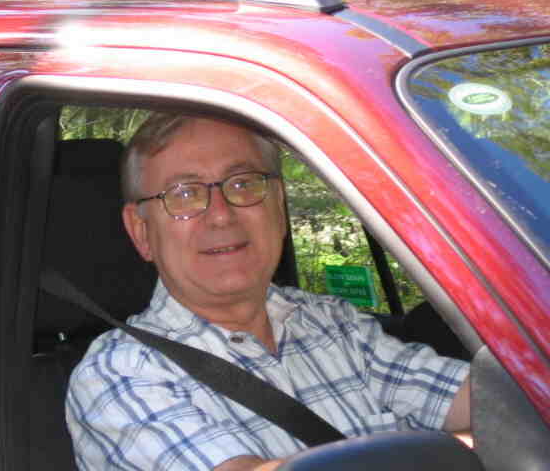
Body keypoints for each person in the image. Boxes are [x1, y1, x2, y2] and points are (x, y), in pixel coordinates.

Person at [66, 114, 471, 471]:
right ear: (142, 232)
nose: (222, 214)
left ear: (278, 206)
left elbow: (488, 403)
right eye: (184, 195)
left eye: (243, 184)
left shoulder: (334, 322)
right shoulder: (121, 373)